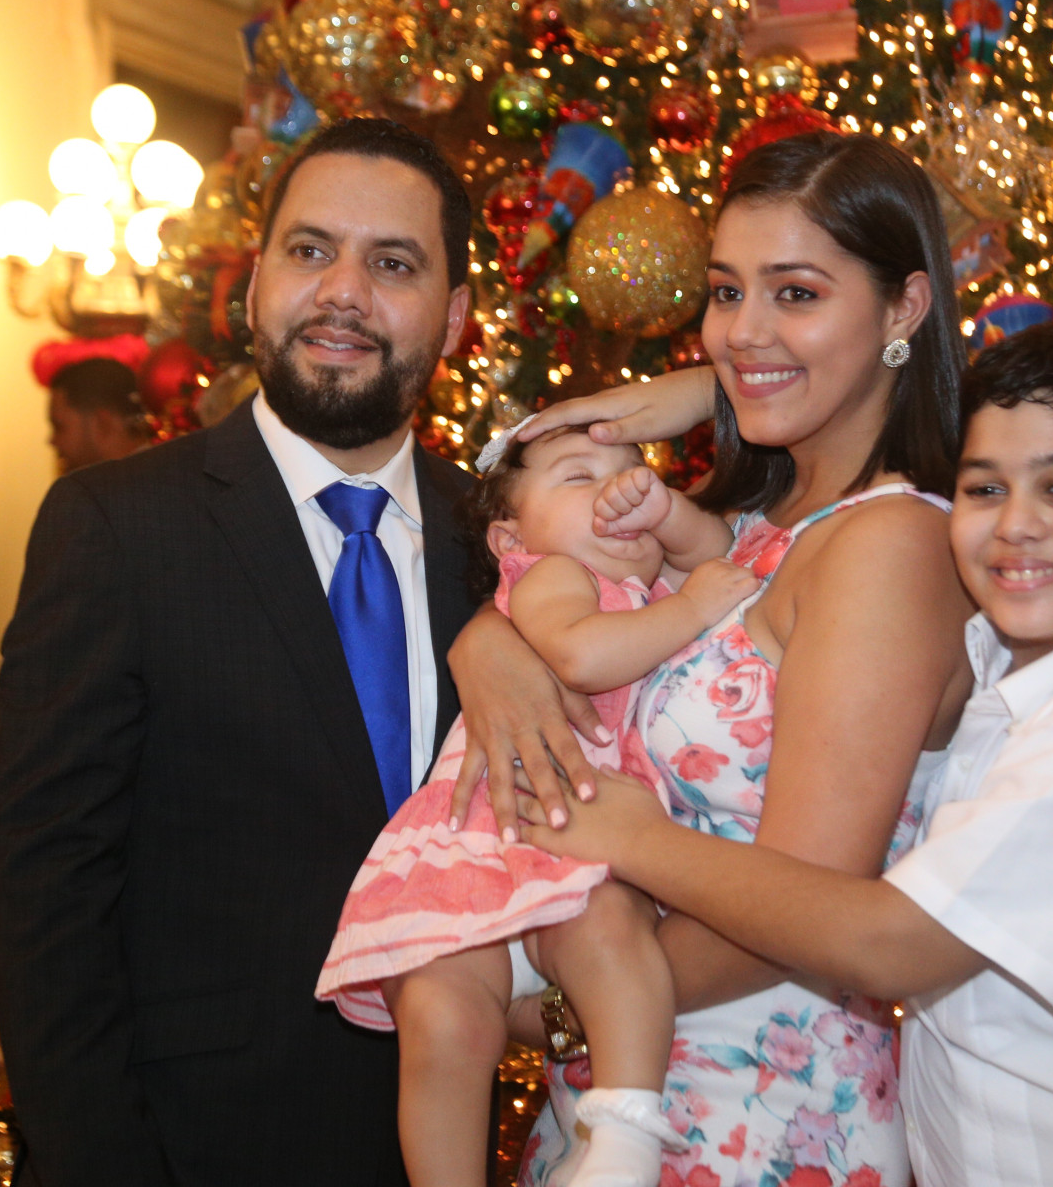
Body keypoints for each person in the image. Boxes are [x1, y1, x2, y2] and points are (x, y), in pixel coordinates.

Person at [517, 321, 1053, 1187]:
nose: (1017, 526)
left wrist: (636, 842)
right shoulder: (1020, 649)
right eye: (985, 488)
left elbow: (891, 943)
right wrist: (711, 388)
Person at [0, 116, 592, 1187]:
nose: (343, 293)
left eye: (393, 263)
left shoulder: (507, 553)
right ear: (257, 279)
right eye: (311, 250)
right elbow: (48, 897)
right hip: (189, 1149)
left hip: (455, 1145)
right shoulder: (117, 528)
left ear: (455, 316)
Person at [450, 131, 975, 1182]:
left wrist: (554, 1013)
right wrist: (486, 649)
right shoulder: (744, 523)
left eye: (796, 292)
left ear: (905, 308)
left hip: (762, 1114)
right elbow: (554, 594)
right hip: (618, 1101)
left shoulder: (889, 544)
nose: (744, 330)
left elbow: (808, 899)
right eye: (726, 292)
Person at [318, 425, 756, 1187]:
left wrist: (662, 513)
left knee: (614, 944)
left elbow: (719, 547)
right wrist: (691, 610)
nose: (616, 491)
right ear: (509, 538)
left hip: (579, 852)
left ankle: (622, 1142)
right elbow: (581, 655)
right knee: (442, 1017)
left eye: (633, 473)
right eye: (581, 478)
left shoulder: (648, 585)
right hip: (493, 837)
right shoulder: (553, 575)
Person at [45, 356, 153, 473]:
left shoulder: (147, 479)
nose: (52, 441)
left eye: (59, 427)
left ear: (103, 423)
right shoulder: (152, 472)